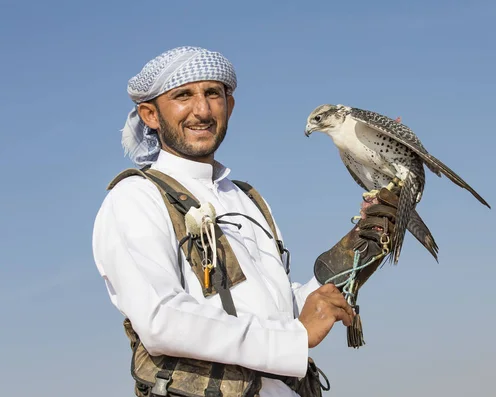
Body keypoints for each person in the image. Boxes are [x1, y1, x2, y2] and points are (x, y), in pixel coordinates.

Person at [92, 46, 398, 397]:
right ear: (150, 114)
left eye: (213, 94)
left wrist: (359, 246)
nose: (202, 110)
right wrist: (294, 339)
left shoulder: (248, 198)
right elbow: (161, 320)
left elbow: (279, 312)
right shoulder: (135, 198)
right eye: (183, 96)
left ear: (230, 106)